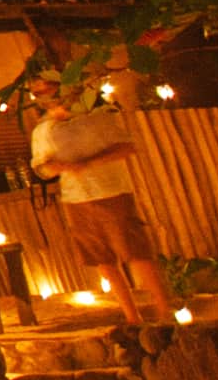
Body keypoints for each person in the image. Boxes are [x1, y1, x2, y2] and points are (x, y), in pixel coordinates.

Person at [29, 83, 171, 324]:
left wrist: (91, 162)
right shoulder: (43, 130)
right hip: (76, 198)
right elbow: (41, 167)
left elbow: (126, 147)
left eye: (52, 94)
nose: (50, 101)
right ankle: (131, 316)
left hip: (111, 192)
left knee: (136, 252)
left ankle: (164, 310)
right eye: (43, 97)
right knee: (101, 259)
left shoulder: (97, 119)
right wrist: (62, 167)